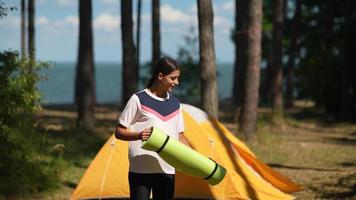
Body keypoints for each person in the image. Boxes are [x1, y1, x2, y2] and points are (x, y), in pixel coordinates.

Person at [115, 57, 190, 200]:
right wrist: (139, 135)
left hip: (167, 169)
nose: (177, 83)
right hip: (140, 169)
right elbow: (119, 132)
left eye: (177, 78)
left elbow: (180, 136)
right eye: (173, 78)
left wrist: (196, 158)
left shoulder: (175, 103)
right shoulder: (138, 99)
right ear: (160, 76)